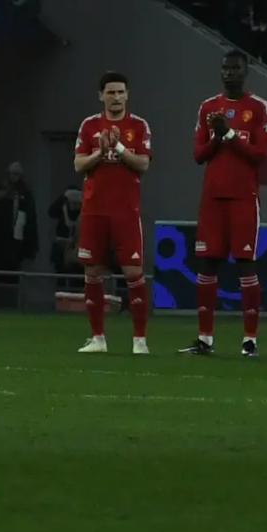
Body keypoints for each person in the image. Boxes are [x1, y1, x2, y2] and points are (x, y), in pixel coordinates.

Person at [188, 48, 267, 357]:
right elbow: (198, 155)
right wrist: (217, 137)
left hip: (243, 198)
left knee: (245, 265)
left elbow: (260, 156)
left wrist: (230, 134)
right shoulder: (208, 107)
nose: (229, 73)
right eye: (225, 68)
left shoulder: (260, 108)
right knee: (207, 264)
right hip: (213, 197)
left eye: (235, 68)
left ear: (245, 71)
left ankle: (249, 339)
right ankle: (204, 338)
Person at [73, 72, 153, 353]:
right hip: (95, 210)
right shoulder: (90, 125)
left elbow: (142, 164)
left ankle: (139, 341)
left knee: (133, 272)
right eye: (111, 92)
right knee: (93, 271)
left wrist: (118, 147)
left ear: (127, 95)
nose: (116, 97)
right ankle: (98, 339)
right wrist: (100, 152)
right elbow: (79, 165)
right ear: (101, 95)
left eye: (120, 92)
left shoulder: (139, 126)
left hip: (126, 212)